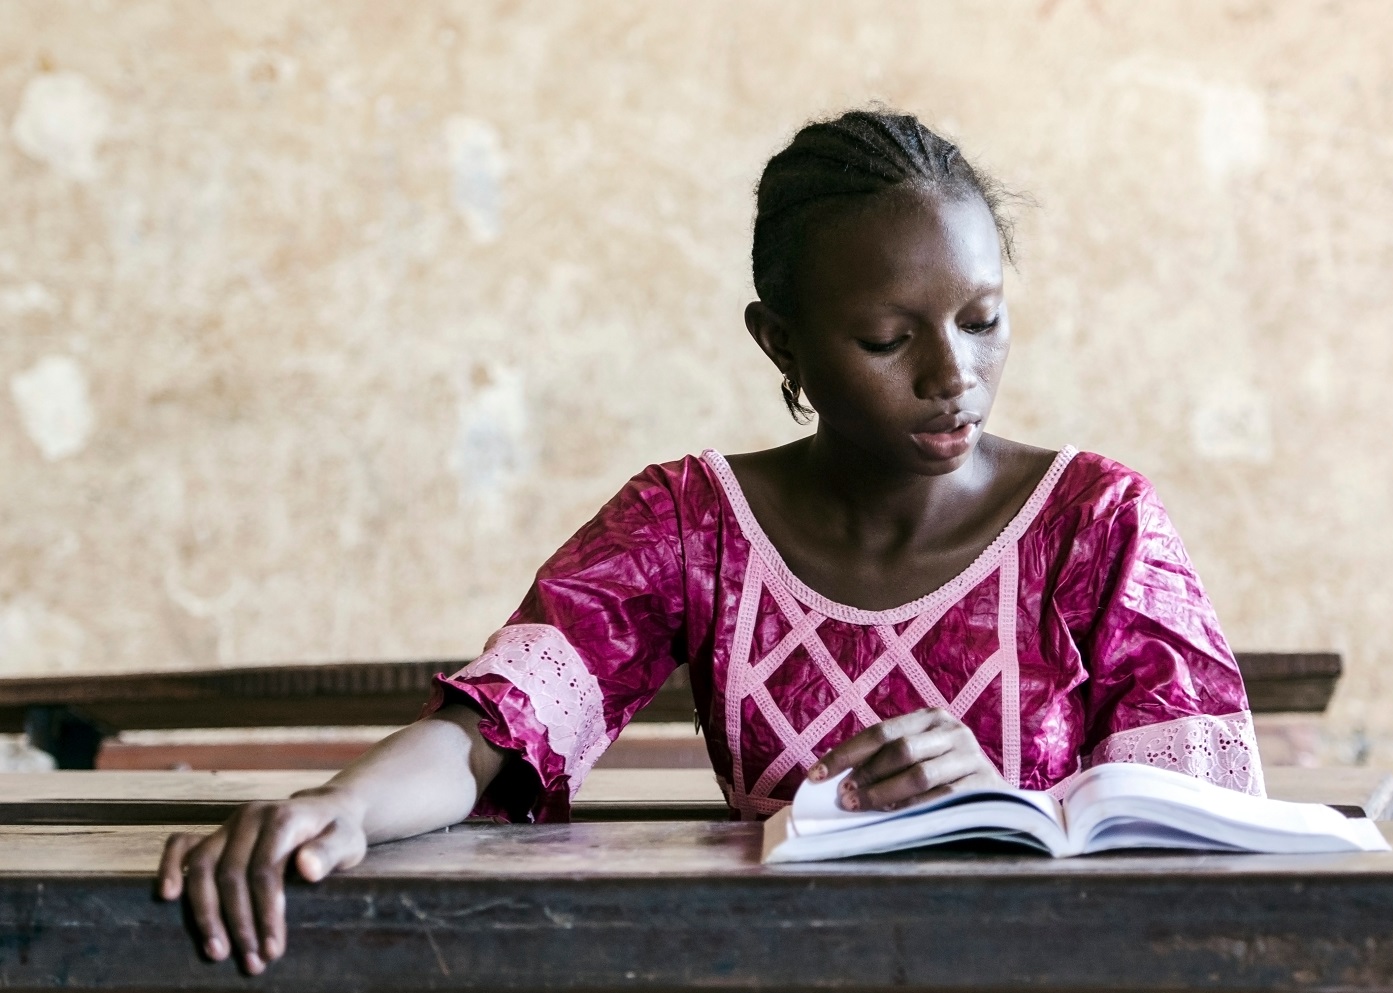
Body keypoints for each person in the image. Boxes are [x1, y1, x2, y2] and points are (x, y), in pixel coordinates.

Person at [156, 109, 1265, 975]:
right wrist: (339, 806)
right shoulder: (692, 527)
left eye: (982, 319)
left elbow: (1209, 846)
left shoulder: (1096, 524)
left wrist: (1011, 811)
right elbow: (497, 727)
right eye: (887, 338)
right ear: (778, 341)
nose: (951, 374)